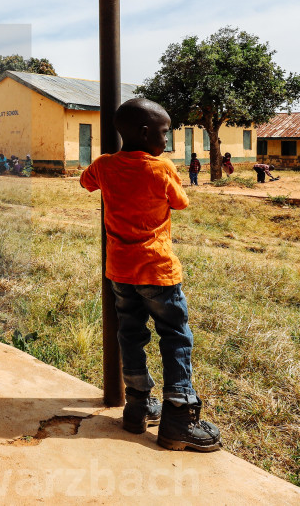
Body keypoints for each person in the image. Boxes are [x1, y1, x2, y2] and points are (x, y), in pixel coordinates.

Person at [79, 98, 221, 453]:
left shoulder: (105, 166)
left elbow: (86, 182)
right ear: (145, 133)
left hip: (121, 272)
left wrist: (112, 163)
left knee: (130, 334)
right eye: (163, 132)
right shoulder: (161, 168)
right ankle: (179, 417)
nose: (167, 141)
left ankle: (138, 407)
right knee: (175, 337)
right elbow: (181, 203)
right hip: (158, 271)